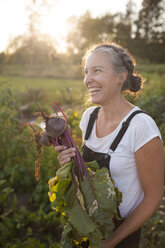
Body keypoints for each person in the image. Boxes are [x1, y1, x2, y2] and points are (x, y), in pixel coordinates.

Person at [55, 43, 164, 248]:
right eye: (86, 72)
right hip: (87, 226)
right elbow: (88, 178)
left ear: (120, 77)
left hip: (121, 236)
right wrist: (67, 163)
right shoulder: (89, 117)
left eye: (97, 71)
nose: (88, 80)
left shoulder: (141, 127)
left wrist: (111, 241)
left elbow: (153, 198)